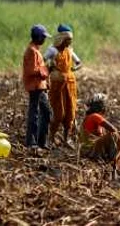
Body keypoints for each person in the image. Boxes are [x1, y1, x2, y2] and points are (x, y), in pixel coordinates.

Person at [45, 24, 82, 148]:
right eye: (68, 40)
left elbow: (79, 63)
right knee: (58, 113)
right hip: (57, 83)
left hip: (70, 83)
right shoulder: (52, 50)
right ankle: (51, 137)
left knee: (70, 112)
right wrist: (51, 68)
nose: (70, 42)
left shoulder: (70, 50)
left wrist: (73, 68)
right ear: (61, 39)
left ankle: (66, 139)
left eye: (70, 40)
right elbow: (43, 62)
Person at [80, 93, 120, 175]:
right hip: (90, 150)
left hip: (88, 150)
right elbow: (113, 129)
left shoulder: (89, 117)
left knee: (111, 136)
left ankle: (117, 160)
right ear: (102, 107)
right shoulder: (95, 116)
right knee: (114, 135)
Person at [22, 24, 52, 153]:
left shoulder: (36, 50)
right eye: (43, 37)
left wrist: (46, 81)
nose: (44, 40)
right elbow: (31, 70)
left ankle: (40, 141)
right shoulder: (32, 51)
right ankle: (32, 142)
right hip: (35, 87)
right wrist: (47, 70)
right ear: (38, 37)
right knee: (35, 114)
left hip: (40, 86)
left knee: (44, 112)